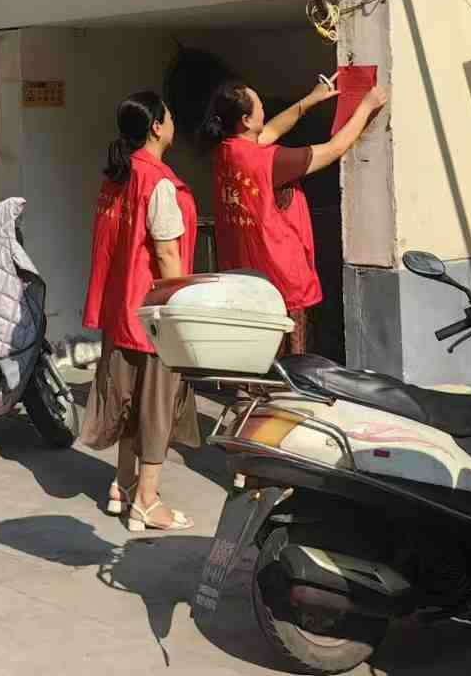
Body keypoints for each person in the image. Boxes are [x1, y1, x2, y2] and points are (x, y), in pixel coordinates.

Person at [81, 90, 202, 533]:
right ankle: (147, 502)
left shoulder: (117, 176)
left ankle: (123, 484)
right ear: (156, 127)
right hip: (152, 314)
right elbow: (167, 253)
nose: (173, 124)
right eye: (169, 117)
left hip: (120, 309)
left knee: (128, 400)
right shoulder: (158, 182)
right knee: (157, 405)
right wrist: (182, 309)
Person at [205, 76, 389, 354]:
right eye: (259, 105)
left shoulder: (226, 151)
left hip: (247, 278)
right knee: (291, 359)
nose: (264, 108)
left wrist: (311, 100)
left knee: (256, 355)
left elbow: (270, 130)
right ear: (245, 120)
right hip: (281, 278)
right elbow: (334, 149)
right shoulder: (270, 161)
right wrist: (366, 106)